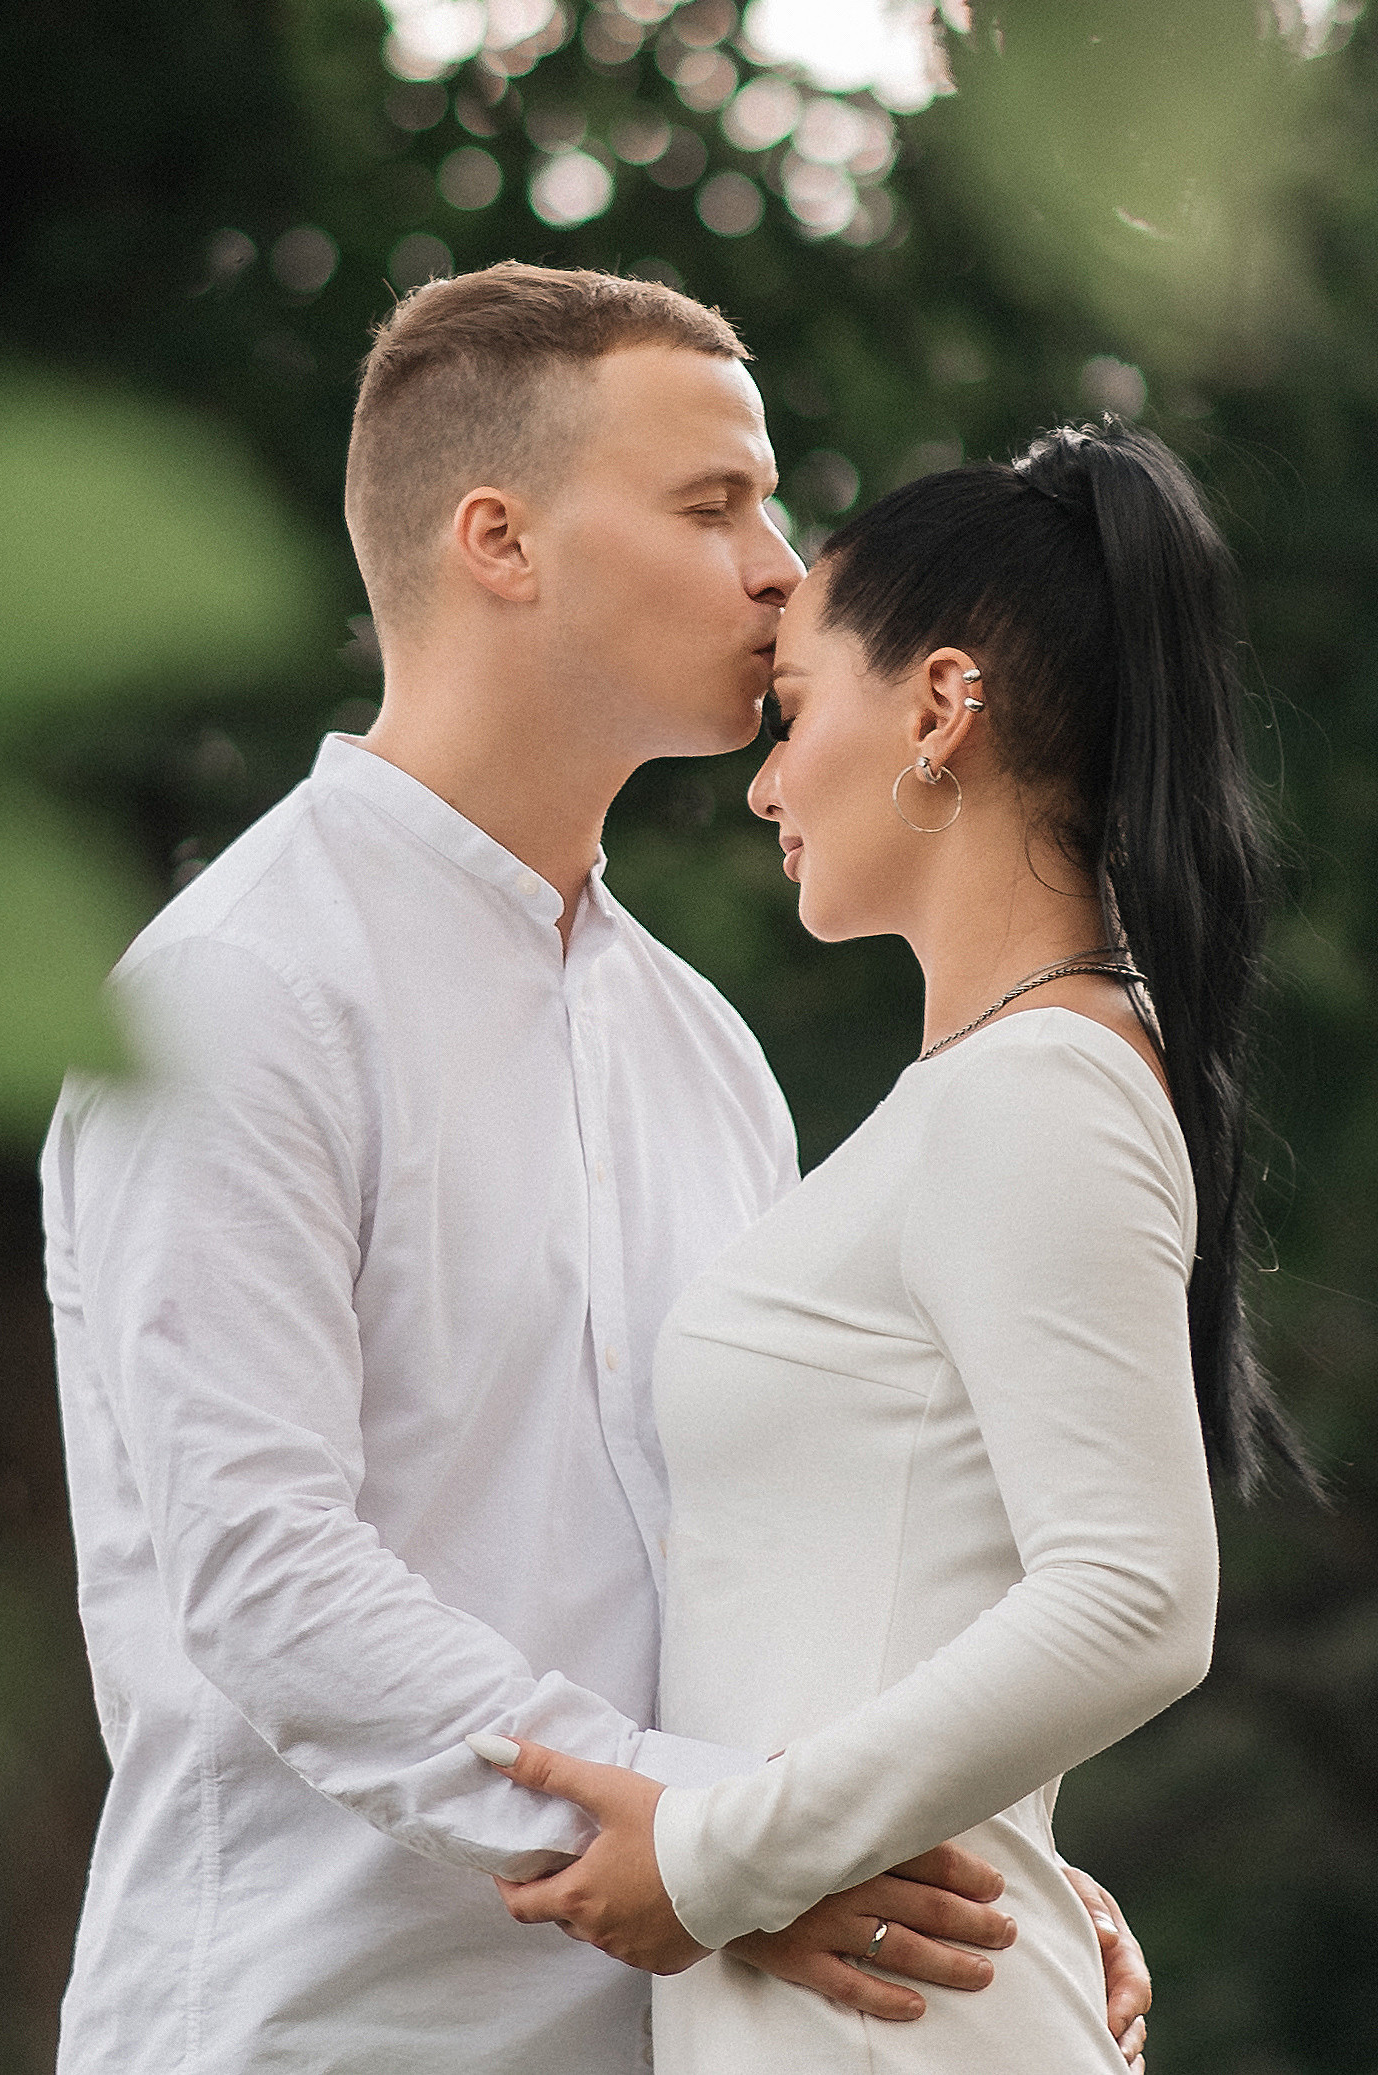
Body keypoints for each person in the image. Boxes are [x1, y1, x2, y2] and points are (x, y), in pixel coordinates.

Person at [42, 267, 1150, 2074]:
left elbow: (777, 1560)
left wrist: (962, 1855)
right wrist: (742, 1836)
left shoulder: (705, 1053)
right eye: (713, 504)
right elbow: (259, 1566)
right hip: (311, 2032)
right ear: (501, 540)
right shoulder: (236, 992)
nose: (782, 568)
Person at [485, 422, 1302, 2065]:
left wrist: (718, 1856)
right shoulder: (987, 1094)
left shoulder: (1042, 1089)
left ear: (936, 710)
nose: (765, 782)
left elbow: (1137, 1595)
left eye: (791, 714)